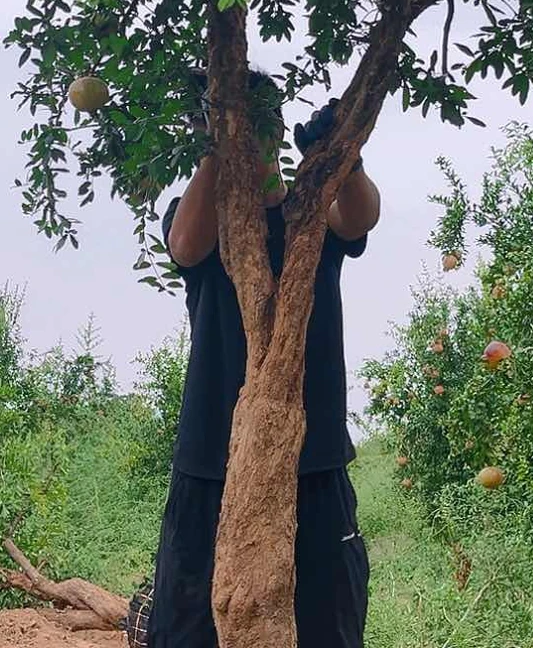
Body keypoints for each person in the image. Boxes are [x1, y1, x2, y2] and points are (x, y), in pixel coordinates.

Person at [143, 69, 380, 648]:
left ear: (277, 129)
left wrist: (341, 156)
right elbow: (184, 247)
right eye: (236, 128)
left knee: (327, 625)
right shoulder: (199, 211)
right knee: (190, 629)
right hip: (211, 462)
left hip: (312, 458)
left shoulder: (311, 214)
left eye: (260, 126)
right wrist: (215, 151)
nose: (252, 140)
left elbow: (360, 217)